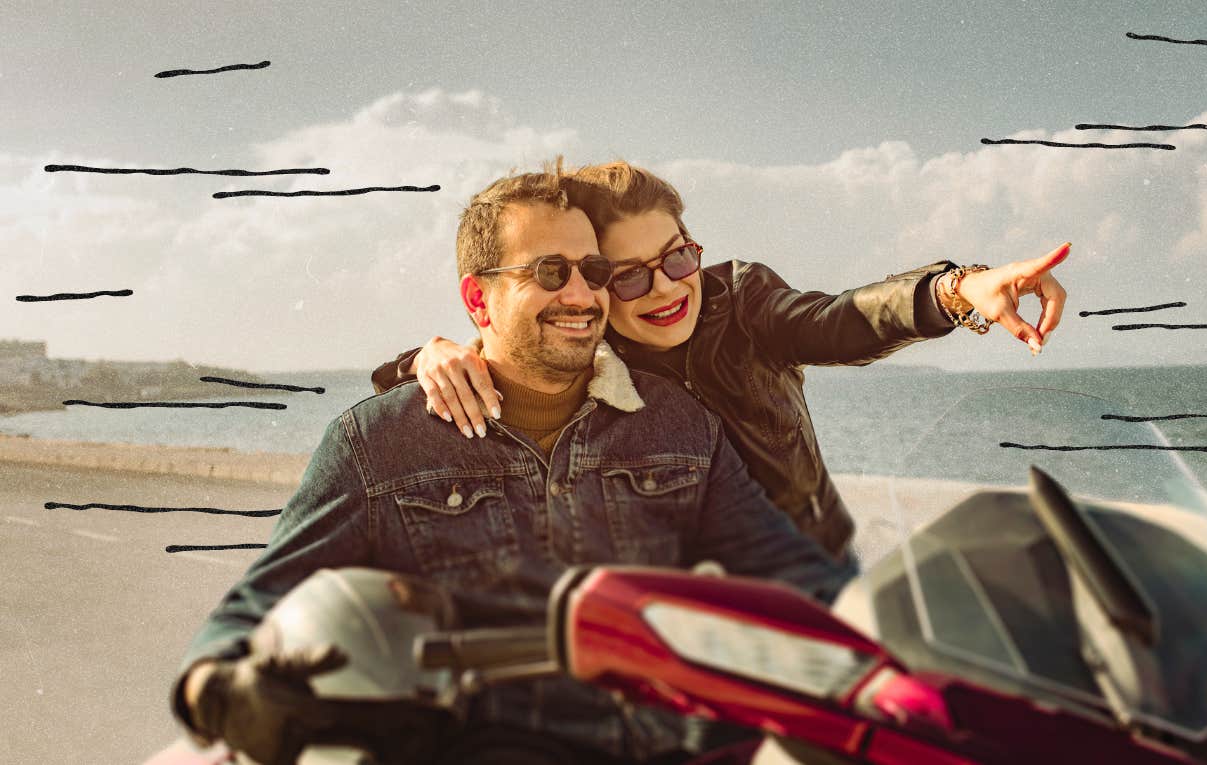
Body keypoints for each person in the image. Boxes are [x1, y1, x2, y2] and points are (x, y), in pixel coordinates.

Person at [169, 167, 852, 765]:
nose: (582, 296)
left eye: (594, 272)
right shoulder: (377, 443)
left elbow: (790, 572)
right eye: (550, 272)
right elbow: (252, 609)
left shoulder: (676, 421)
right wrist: (219, 691)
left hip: (681, 743)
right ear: (477, 299)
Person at [373, 161, 1070, 559]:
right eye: (631, 275)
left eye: (678, 255)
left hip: (812, 577)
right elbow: (508, 358)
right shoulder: (584, 353)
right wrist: (426, 359)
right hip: (685, 620)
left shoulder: (742, 299)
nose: (669, 285)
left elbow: (845, 320)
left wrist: (955, 290)